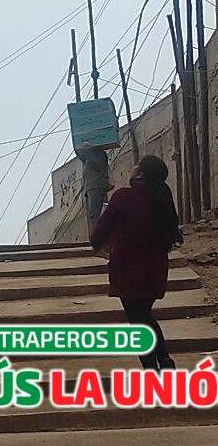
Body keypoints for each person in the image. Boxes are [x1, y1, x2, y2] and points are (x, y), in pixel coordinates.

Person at [90, 155, 182, 370]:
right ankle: (165, 361)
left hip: (128, 273)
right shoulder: (162, 198)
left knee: (138, 323)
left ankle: (153, 369)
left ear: (140, 173)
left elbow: (99, 233)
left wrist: (100, 243)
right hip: (155, 272)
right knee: (144, 316)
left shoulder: (123, 197)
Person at [76, 142, 111, 233]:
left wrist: (88, 151)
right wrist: (78, 148)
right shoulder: (87, 158)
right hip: (91, 188)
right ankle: (97, 233)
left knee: (95, 214)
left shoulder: (99, 154)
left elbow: (98, 165)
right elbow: (80, 155)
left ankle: (98, 234)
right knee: (94, 214)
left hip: (96, 186)